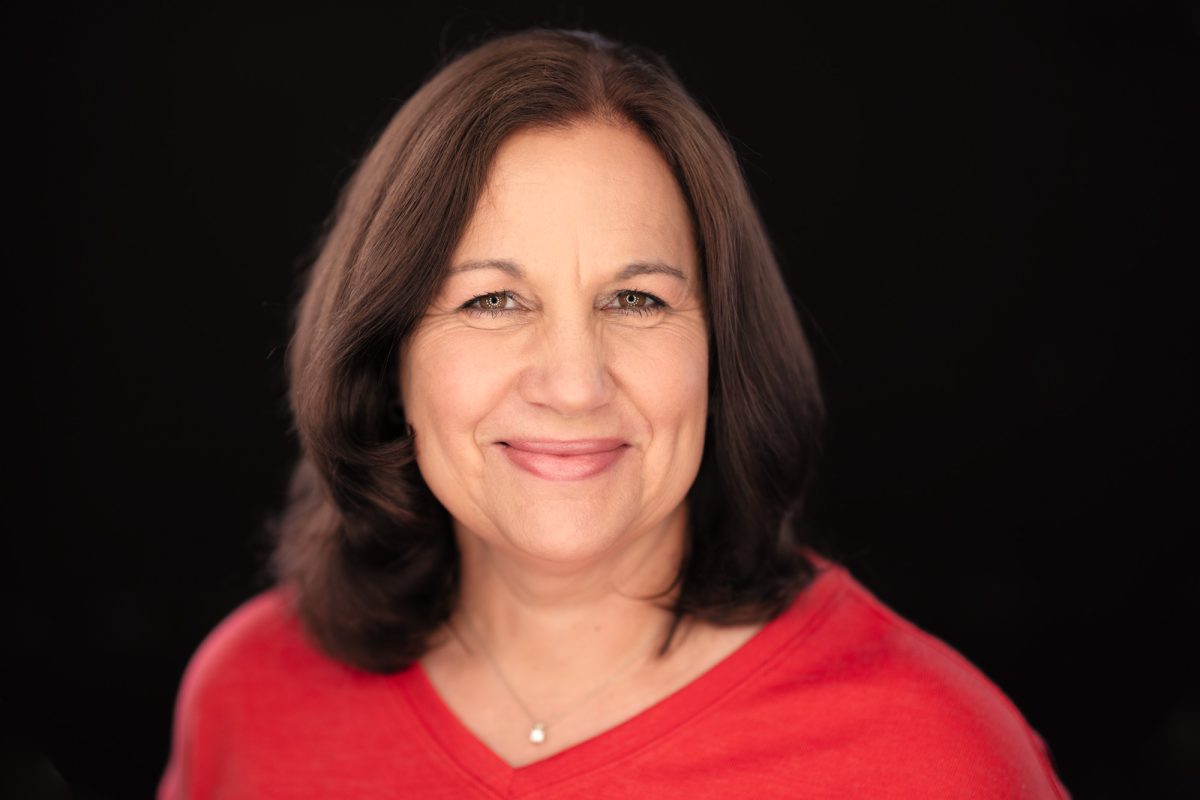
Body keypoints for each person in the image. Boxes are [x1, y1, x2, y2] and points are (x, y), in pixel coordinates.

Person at [159, 28, 1070, 798]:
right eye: (491, 301)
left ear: (721, 352)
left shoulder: (927, 756)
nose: (573, 382)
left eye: (635, 300)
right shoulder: (248, 698)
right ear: (387, 353)